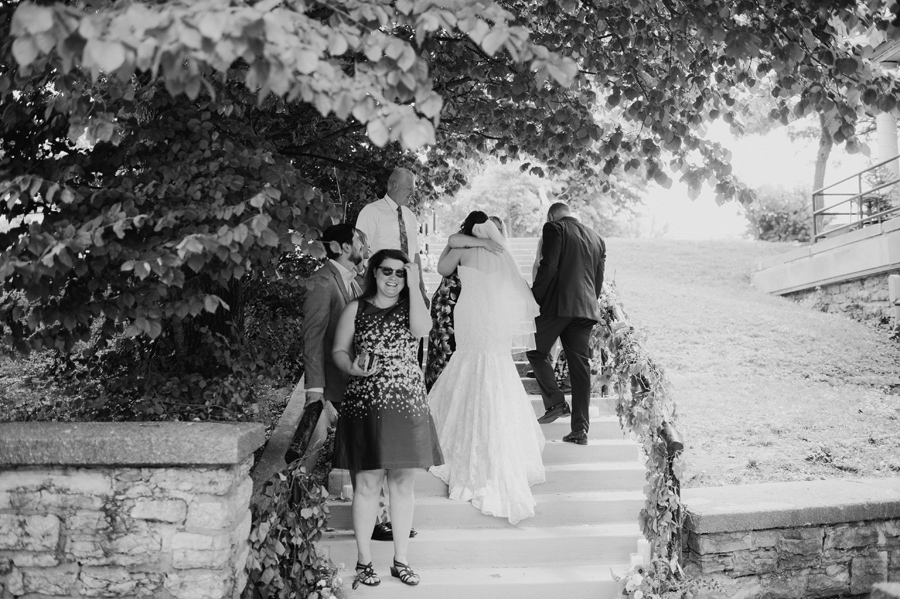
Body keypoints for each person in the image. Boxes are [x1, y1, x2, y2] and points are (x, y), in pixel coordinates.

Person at [331, 249, 442, 588]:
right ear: (375, 273)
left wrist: (416, 282)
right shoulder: (355, 308)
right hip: (365, 402)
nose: (393, 278)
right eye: (387, 272)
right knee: (366, 483)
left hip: (406, 402)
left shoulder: (413, 307)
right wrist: (351, 367)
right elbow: (338, 350)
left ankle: (401, 560)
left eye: (399, 273)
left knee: (403, 483)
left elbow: (423, 329)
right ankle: (364, 561)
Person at [427, 212, 545, 524]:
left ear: (466, 227)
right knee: (494, 366)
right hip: (493, 317)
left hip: (469, 313)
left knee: (467, 361)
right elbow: (514, 288)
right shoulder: (500, 250)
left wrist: (462, 240)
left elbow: (442, 268)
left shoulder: (462, 247)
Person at [527, 202, 606, 445]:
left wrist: (535, 297)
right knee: (579, 369)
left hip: (558, 305)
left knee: (534, 350)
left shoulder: (554, 228)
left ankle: (557, 403)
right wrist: (590, 301)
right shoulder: (597, 238)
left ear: (552, 215)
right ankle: (580, 430)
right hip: (586, 310)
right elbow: (598, 278)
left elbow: (548, 265)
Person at [424, 213, 504, 391]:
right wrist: (484, 243)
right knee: (443, 352)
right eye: (493, 227)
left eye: (499, 229)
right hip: (448, 304)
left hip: (469, 307)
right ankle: (439, 394)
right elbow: (443, 266)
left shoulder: (491, 250)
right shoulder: (462, 243)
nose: (496, 232)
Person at [302, 224, 366, 408]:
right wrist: (314, 388)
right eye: (358, 240)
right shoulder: (321, 281)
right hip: (337, 384)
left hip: (354, 382)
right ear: (346, 247)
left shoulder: (350, 279)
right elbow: (312, 336)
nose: (362, 245)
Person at [356, 167, 429, 305]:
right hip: (381, 284)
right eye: (410, 189)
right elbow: (359, 249)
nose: (413, 193)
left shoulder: (410, 216)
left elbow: (415, 254)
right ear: (395, 185)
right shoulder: (371, 212)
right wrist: (368, 284)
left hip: (408, 286)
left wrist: (420, 287)